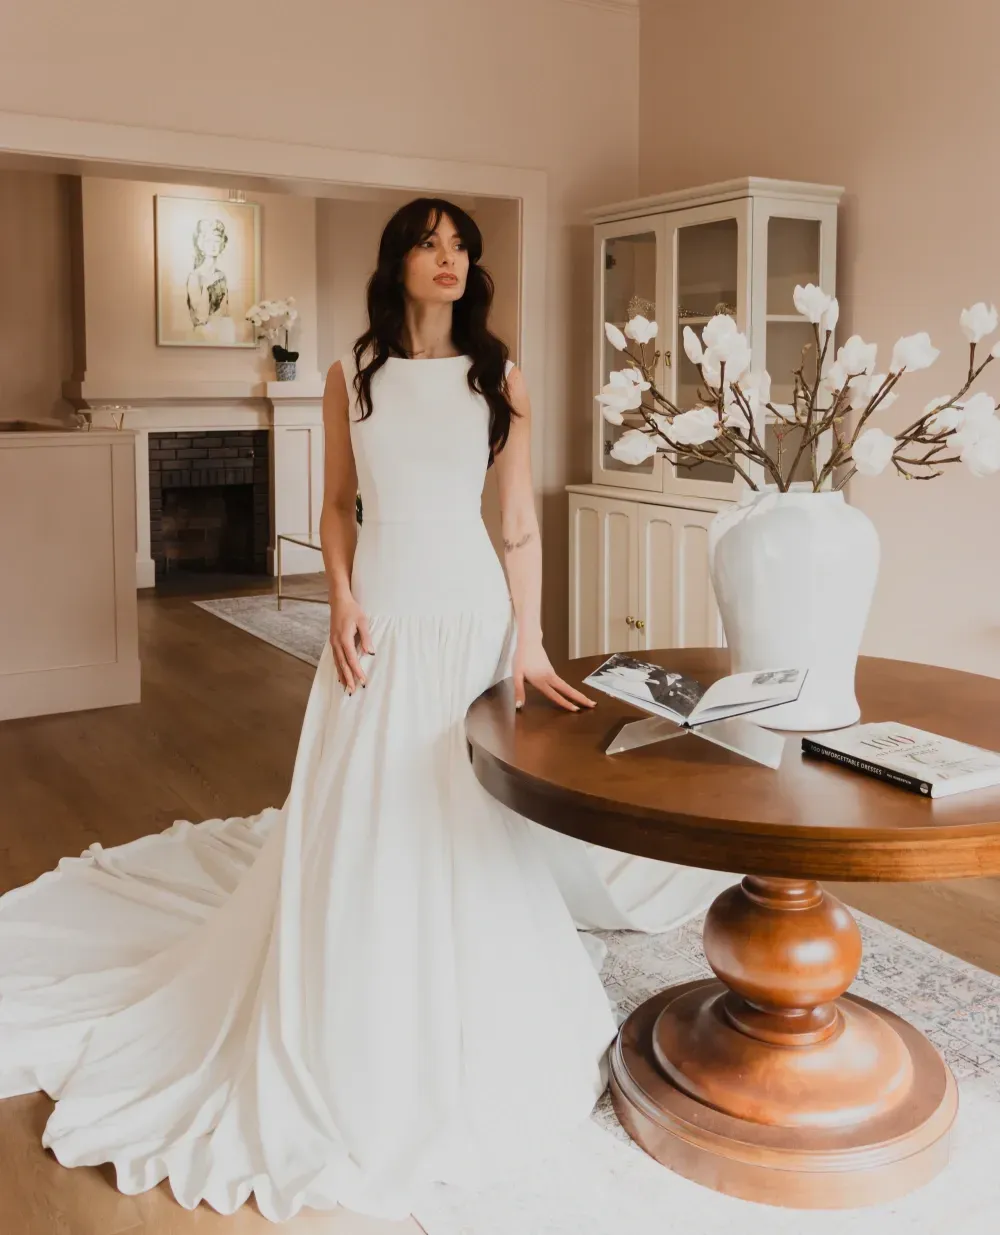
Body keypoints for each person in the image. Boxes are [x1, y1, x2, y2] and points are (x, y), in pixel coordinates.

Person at [0, 198, 735, 1223]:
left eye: (460, 244)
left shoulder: (499, 372)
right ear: (397, 261)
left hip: (469, 609)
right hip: (383, 612)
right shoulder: (356, 371)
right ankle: (359, 994)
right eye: (429, 243)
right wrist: (340, 595)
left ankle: (473, 998)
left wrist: (526, 635)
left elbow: (516, 519)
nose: (448, 258)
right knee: (370, 799)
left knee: (470, 803)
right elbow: (336, 503)